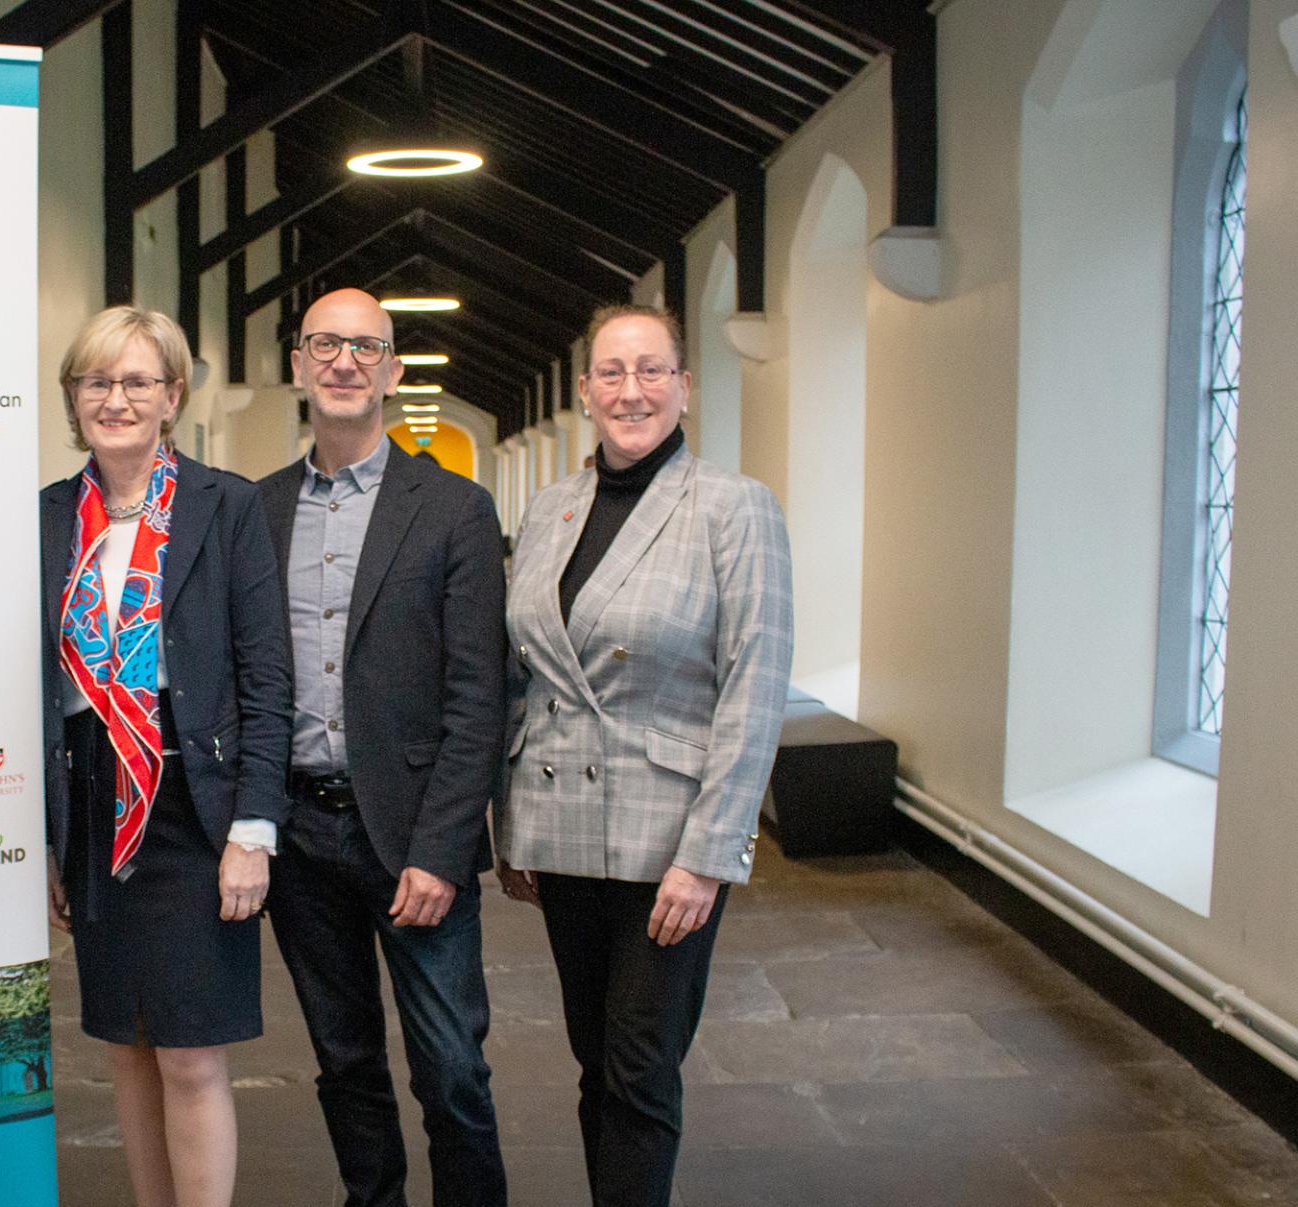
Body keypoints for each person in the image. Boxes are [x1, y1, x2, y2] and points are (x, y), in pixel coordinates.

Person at [496, 303, 792, 1207]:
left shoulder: (733, 508)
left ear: (685, 386)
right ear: (584, 390)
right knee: (596, 1061)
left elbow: (756, 683)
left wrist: (710, 854)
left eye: (652, 369)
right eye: (613, 372)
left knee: (640, 1067)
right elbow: (524, 675)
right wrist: (510, 822)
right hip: (563, 826)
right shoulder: (549, 509)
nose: (633, 390)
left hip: (669, 838)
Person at [256, 287, 510, 1207]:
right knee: (344, 1061)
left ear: (393, 371)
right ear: (299, 364)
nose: (344, 361)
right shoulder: (261, 510)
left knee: (450, 1070)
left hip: (410, 837)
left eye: (366, 346)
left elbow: (479, 696)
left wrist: (444, 850)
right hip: (301, 835)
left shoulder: (454, 509)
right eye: (325, 343)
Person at [39, 305, 294, 1207]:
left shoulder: (227, 507)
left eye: (137, 381)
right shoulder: (47, 520)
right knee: (125, 1048)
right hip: (92, 803)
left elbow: (267, 678)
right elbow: (38, 694)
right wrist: (46, 841)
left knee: (189, 1050)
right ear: (74, 398)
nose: (116, 399)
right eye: (96, 382)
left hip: (194, 805)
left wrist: (253, 829)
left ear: (172, 395)